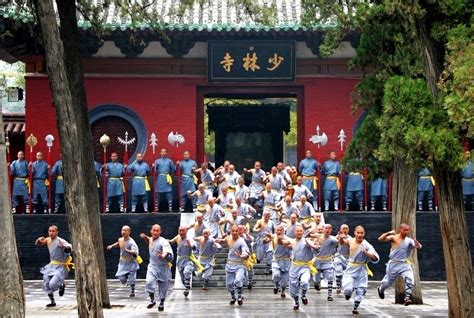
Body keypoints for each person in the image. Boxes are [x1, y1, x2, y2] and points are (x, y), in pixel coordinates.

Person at [377, 223, 422, 306]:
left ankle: (407, 298)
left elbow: (418, 246)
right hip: (393, 264)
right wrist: (389, 233)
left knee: (410, 278)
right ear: (400, 229)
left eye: (407, 230)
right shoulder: (394, 237)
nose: (406, 232)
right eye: (404, 230)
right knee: (388, 282)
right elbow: (380, 239)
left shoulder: (409, 240)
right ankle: (381, 289)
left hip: (404, 264)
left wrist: (417, 245)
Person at [339, 226, 379, 315]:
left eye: (361, 233)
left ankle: (355, 307)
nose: (360, 235)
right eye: (358, 233)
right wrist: (341, 239)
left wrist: (366, 253)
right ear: (355, 233)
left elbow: (375, 257)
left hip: (362, 269)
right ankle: (348, 293)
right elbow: (342, 243)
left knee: (361, 290)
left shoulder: (366, 245)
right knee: (348, 289)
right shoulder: (350, 240)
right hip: (351, 267)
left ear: (364, 234)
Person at [280, 225, 320, 310]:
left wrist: (313, 246)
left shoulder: (307, 241)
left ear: (302, 232)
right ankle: (296, 302)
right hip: (294, 266)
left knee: (305, 281)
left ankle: (304, 295)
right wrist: (279, 237)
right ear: (295, 232)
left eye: (300, 231)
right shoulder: (292, 241)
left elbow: (317, 248)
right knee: (293, 286)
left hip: (305, 266)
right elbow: (282, 242)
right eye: (297, 231)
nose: (299, 232)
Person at [35, 225, 73, 307]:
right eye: (50, 231)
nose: (51, 233)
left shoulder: (60, 241)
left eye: (53, 231)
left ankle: (61, 285)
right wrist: (38, 240)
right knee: (46, 282)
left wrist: (66, 247)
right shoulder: (48, 240)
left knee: (52, 284)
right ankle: (52, 301)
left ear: (57, 232)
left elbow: (69, 246)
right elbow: (39, 243)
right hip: (51, 266)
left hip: (60, 267)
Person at [140, 224, 173, 312]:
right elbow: (149, 240)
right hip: (152, 266)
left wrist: (164, 255)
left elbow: (168, 253)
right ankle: (152, 300)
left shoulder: (163, 242)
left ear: (160, 232)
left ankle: (161, 302)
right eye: (153, 230)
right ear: (151, 231)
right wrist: (145, 237)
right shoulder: (151, 239)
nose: (155, 232)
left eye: (157, 230)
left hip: (163, 267)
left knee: (163, 287)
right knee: (149, 282)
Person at [216, 225, 250, 306]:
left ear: (239, 232)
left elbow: (245, 253)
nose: (234, 232)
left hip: (240, 265)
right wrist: (219, 241)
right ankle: (233, 297)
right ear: (231, 231)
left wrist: (242, 255)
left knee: (238, 280)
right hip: (230, 264)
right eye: (233, 231)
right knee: (229, 284)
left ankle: (239, 296)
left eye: (236, 231)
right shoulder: (228, 238)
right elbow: (223, 241)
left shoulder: (242, 241)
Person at [107, 225, 141, 297]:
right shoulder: (121, 239)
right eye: (122, 230)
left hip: (131, 262)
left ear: (129, 232)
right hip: (123, 262)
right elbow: (118, 243)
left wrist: (127, 250)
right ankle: (126, 282)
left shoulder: (132, 242)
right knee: (121, 277)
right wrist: (111, 246)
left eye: (125, 230)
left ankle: (132, 290)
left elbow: (135, 253)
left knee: (132, 279)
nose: (123, 232)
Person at [169, 226, 197, 298]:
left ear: (186, 231)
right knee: (182, 279)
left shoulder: (189, 239)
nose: (181, 232)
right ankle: (186, 286)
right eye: (180, 231)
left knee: (186, 272)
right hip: (180, 260)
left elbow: (195, 249)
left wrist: (190, 246)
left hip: (188, 259)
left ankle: (187, 288)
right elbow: (171, 242)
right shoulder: (177, 238)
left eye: (183, 231)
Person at [313, 224, 339, 301]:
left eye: (329, 228)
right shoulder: (317, 238)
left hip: (328, 261)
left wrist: (340, 239)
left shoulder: (333, 239)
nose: (327, 230)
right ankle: (316, 283)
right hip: (318, 261)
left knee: (330, 277)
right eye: (326, 228)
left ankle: (329, 295)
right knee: (317, 280)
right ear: (323, 229)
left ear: (331, 230)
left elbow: (338, 243)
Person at [269, 225, 292, 298]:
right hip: (276, 259)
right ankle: (276, 285)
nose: (279, 232)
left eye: (280, 230)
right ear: (275, 231)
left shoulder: (287, 239)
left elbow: (292, 245)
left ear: (283, 231)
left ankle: (283, 291)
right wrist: (265, 239)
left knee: (284, 282)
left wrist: (289, 245)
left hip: (286, 261)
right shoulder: (272, 237)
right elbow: (266, 240)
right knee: (276, 275)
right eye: (277, 230)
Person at [253, 210, 275, 275]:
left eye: (268, 216)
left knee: (269, 254)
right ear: (263, 216)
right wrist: (258, 229)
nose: (267, 218)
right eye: (266, 216)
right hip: (261, 240)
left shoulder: (272, 222)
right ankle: (258, 259)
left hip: (269, 240)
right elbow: (254, 228)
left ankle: (267, 269)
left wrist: (271, 236)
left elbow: (274, 231)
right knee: (260, 256)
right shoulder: (259, 221)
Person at [334, 224, 351, 294]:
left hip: (347, 258)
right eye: (343, 228)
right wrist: (340, 238)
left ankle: (347, 286)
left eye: (346, 228)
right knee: (339, 270)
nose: (345, 230)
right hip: (339, 257)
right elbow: (338, 243)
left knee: (347, 274)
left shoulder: (350, 238)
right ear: (340, 230)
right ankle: (338, 286)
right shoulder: (337, 237)